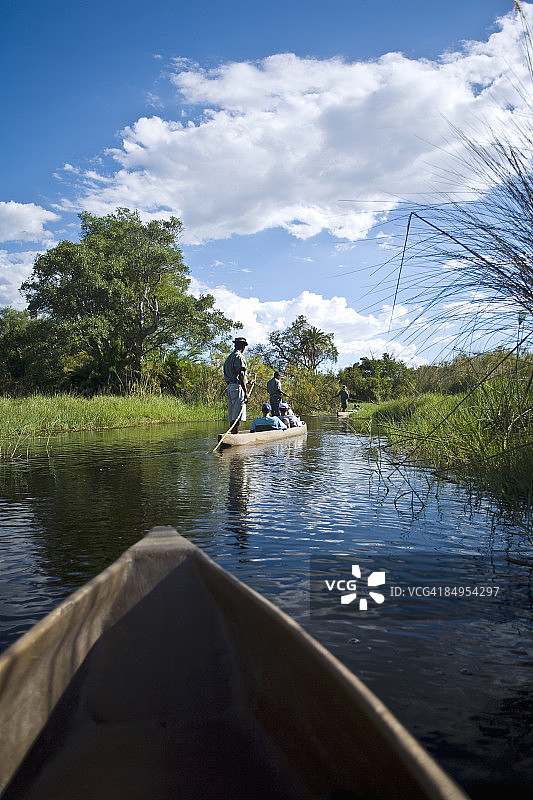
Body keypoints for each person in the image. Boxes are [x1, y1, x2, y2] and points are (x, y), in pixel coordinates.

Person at [223, 336, 249, 433]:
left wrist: (249, 382)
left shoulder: (229, 358)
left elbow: (233, 375)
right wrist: (246, 392)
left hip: (230, 387)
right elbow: (241, 375)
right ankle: (235, 438)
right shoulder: (239, 356)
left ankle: (232, 434)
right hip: (237, 388)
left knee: (232, 415)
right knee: (238, 415)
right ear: (242, 346)